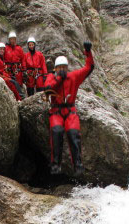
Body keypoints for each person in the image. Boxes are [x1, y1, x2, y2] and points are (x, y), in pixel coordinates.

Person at [43, 41, 95, 176]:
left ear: (67, 68)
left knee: (73, 134)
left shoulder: (74, 76)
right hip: (56, 111)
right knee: (57, 131)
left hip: (70, 111)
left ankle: (78, 165)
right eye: (59, 68)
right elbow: (48, 88)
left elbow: (89, 67)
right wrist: (58, 79)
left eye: (64, 67)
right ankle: (55, 165)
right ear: (55, 69)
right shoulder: (51, 77)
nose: (62, 70)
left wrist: (88, 52)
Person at [4, 31, 25, 99]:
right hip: (8, 69)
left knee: (18, 83)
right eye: (11, 39)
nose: (12, 41)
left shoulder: (19, 48)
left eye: (14, 39)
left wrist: (24, 70)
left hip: (17, 70)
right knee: (10, 83)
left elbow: (23, 59)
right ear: (9, 40)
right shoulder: (6, 48)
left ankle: (20, 98)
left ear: (15, 40)